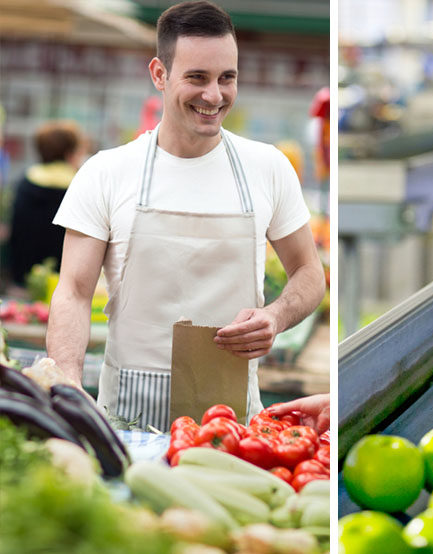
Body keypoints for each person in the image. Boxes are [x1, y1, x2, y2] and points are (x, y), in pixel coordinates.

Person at [46, 1, 326, 431]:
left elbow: (309, 272)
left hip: (232, 428)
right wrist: (66, 377)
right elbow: (74, 291)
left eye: (226, 78)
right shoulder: (105, 172)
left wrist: (276, 315)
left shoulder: (267, 167)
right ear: (159, 74)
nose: (214, 96)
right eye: (197, 77)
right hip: (124, 421)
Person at [8, 120, 86, 287]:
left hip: (23, 278)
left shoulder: (25, 182)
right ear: (69, 153)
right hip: (63, 284)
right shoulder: (80, 186)